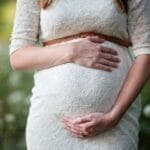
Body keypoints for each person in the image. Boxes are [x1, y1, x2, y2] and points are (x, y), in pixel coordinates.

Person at [9, 0, 150, 149]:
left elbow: (146, 52)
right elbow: (18, 57)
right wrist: (72, 51)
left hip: (115, 124)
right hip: (51, 123)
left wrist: (114, 116)